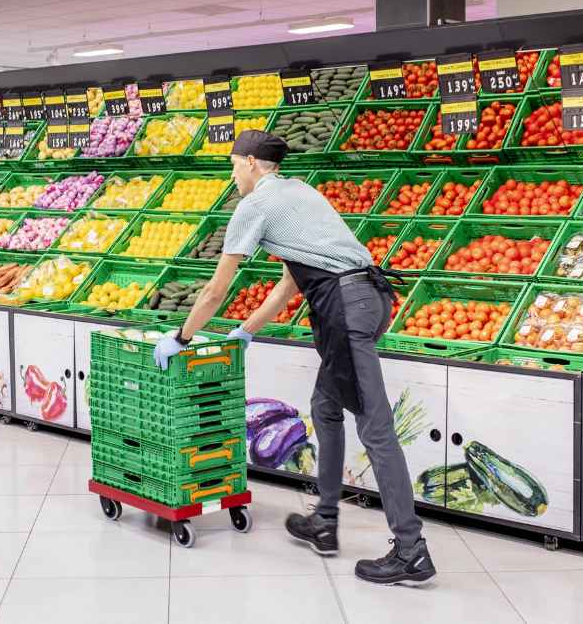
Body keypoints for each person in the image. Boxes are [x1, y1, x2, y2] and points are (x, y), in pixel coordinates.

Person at [151, 130, 435, 586]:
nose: (232, 175)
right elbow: (289, 286)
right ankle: (324, 521)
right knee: (326, 408)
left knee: (376, 429)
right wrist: (247, 330)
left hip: (346, 309)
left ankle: (411, 550)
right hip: (369, 299)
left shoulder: (256, 205)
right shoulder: (299, 191)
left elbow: (215, 289)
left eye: (232, 166)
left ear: (250, 163)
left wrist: (181, 337)